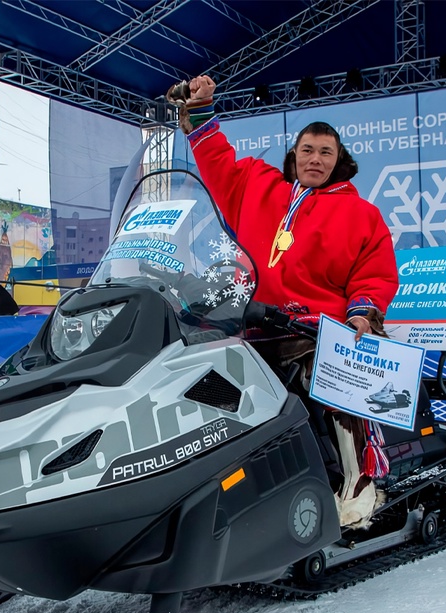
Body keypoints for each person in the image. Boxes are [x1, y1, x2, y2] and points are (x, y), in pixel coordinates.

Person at [169, 75, 400, 528]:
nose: (315, 159)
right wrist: (199, 109)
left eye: (326, 152)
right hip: (252, 322)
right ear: (294, 155)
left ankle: (356, 483)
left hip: (318, 328)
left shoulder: (361, 214)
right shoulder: (259, 186)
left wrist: (361, 312)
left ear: (340, 161)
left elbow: (374, 273)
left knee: (328, 373)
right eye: (307, 150)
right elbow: (216, 161)